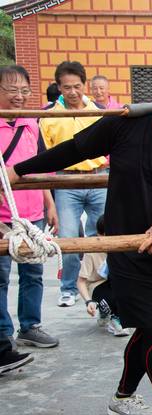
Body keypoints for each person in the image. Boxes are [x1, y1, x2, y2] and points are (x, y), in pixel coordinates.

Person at [9, 72, 152, 415]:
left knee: (151, 330)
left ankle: (122, 398)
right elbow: (74, 149)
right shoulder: (124, 128)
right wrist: (20, 172)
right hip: (128, 253)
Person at [0, 65, 60, 349]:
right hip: (2, 217)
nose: (19, 96)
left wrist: (50, 204)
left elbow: (42, 167)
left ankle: (30, 325)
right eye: (12, 90)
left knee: (33, 271)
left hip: (32, 212)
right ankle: (2, 333)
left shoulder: (31, 123)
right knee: (0, 277)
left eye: (24, 90)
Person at [39, 61, 107, 308]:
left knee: (101, 237)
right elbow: (44, 156)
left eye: (77, 86)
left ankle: (100, 286)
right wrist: (49, 201)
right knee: (68, 237)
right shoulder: (48, 117)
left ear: (84, 85)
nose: (73, 92)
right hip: (67, 181)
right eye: (67, 87)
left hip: (99, 178)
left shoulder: (99, 112)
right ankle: (68, 288)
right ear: (59, 87)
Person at [77, 215, 128, 336]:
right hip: (97, 284)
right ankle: (115, 318)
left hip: (117, 281)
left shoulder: (124, 246)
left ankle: (113, 313)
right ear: (100, 235)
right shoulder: (93, 251)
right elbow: (81, 281)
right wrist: (88, 301)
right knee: (113, 298)